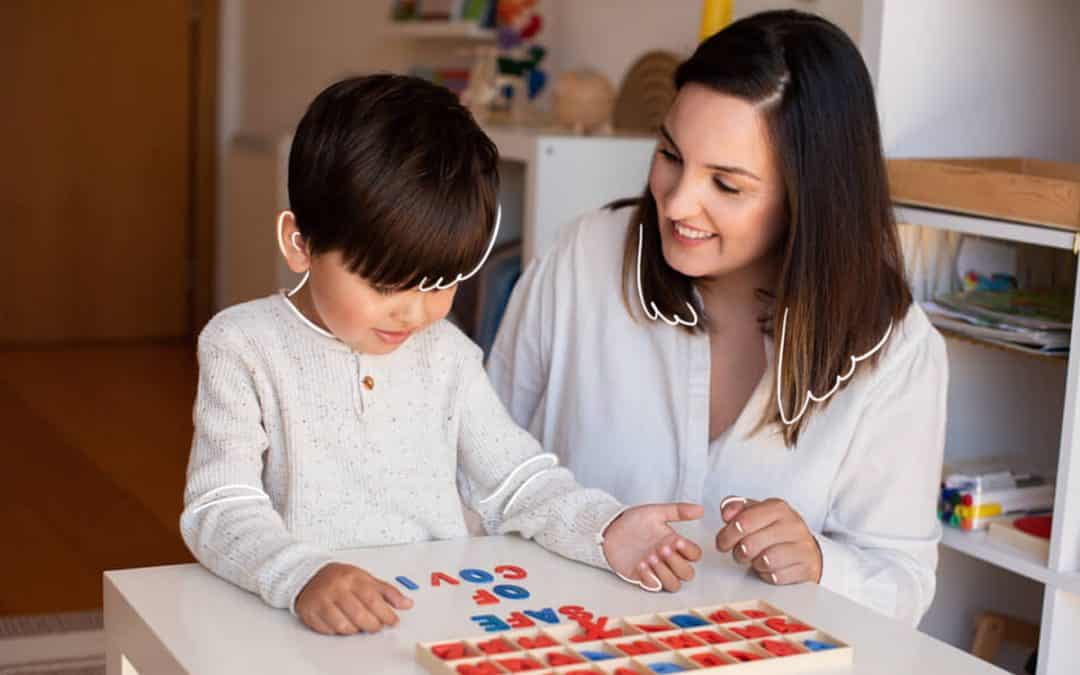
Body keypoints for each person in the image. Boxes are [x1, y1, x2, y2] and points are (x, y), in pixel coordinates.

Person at [180, 74, 704, 637]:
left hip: (428, 618)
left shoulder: (447, 353)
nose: (415, 313)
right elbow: (219, 506)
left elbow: (515, 481)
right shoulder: (242, 346)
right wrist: (301, 576)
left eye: (441, 282)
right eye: (386, 285)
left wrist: (605, 529)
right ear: (299, 243)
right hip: (291, 619)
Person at [489, 11, 947, 626]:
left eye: (727, 185)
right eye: (670, 155)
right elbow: (480, 467)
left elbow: (903, 582)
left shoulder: (897, 349)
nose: (678, 202)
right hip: (552, 640)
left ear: (810, 198)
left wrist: (818, 563)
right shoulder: (584, 259)